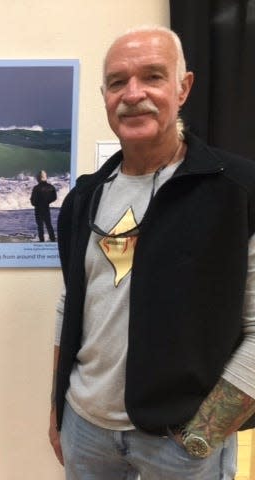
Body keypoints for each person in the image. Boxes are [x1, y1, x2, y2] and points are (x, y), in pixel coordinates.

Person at [49, 26, 255, 480]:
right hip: (85, 428)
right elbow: (71, 304)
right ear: (104, 95)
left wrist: (202, 435)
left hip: (181, 441)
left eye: (153, 77)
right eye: (118, 81)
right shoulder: (84, 197)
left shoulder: (238, 190)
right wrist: (58, 406)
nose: (133, 93)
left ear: (183, 88)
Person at [30, 170, 57, 242]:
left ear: (39, 178)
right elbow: (54, 197)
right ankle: (53, 239)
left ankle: (42, 240)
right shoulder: (51, 187)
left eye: (37, 177)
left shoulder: (36, 188)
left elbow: (32, 200)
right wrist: (47, 202)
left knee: (40, 226)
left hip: (38, 209)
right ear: (45, 177)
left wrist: (35, 203)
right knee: (49, 224)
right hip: (46, 208)